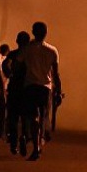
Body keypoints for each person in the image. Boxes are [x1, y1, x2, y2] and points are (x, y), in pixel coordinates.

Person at [21, 22, 62, 161]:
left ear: (33, 32)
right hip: (45, 87)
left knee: (33, 117)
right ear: (46, 33)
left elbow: (18, 65)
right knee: (43, 115)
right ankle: (40, 142)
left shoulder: (27, 49)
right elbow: (56, 74)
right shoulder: (52, 50)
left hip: (30, 85)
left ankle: (36, 146)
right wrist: (59, 91)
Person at [3, 31, 31, 156]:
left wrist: (10, 74)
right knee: (25, 117)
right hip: (27, 88)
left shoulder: (13, 54)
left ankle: (13, 143)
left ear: (17, 41)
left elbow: (5, 64)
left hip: (14, 88)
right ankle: (24, 136)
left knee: (13, 117)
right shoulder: (31, 55)